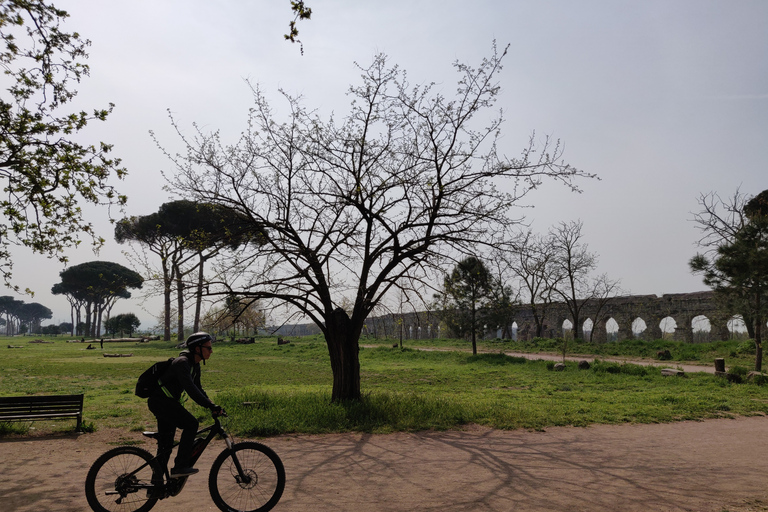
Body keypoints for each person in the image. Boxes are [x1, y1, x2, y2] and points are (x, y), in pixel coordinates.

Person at [147, 332, 222, 478]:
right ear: (197, 348)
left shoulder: (195, 364)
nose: (211, 351)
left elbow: (198, 388)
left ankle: (156, 487)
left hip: (166, 403)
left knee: (166, 446)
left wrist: (212, 405)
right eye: (209, 348)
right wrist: (209, 406)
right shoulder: (182, 363)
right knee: (191, 424)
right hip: (160, 402)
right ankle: (180, 466)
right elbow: (191, 389)